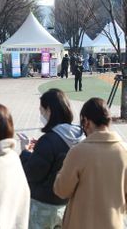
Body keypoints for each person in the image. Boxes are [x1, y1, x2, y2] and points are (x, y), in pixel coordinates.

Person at [54, 98, 127, 229]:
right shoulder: (124, 151)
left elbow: (62, 190)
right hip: (114, 224)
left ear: (86, 121)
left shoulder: (78, 152)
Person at [20, 89, 84, 229]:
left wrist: (25, 152)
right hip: (69, 204)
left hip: (44, 205)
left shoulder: (49, 140)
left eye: (41, 110)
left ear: (49, 110)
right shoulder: (79, 136)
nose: (41, 114)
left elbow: (33, 173)